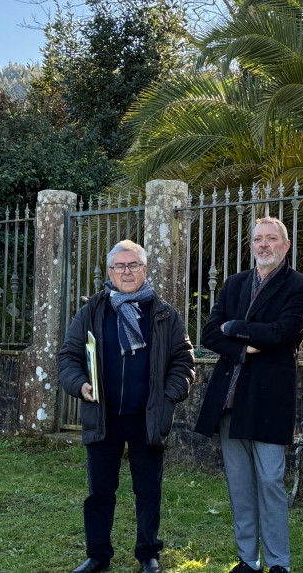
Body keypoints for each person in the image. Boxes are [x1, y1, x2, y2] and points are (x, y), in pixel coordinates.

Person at [59, 239, 195, 573]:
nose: (127, 271)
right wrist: (80, 384)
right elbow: (68, 357)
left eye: (133, 265)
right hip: (103, 416)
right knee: (99, 492)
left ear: (145, 269)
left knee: (148, 490)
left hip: (146, 417)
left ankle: (148, 553)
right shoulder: (92, 311)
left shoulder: (164, 314)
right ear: (109, 272)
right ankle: (97, 555)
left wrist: (167, 397)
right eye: (120, 266)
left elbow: (184, 360)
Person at [194, 217, 303, 573]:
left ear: (286, 246)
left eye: (271, 239)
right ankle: (248, 560)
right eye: (258, 239)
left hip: (269, 399)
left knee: (269, 481)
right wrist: (243, 348)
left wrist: (234, 328)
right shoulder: (233, 284)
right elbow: (208, 334)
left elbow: (281, 333)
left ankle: (279, 564)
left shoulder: (301, 287)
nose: (263, 245)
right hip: (229, 399)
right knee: (240, 485)